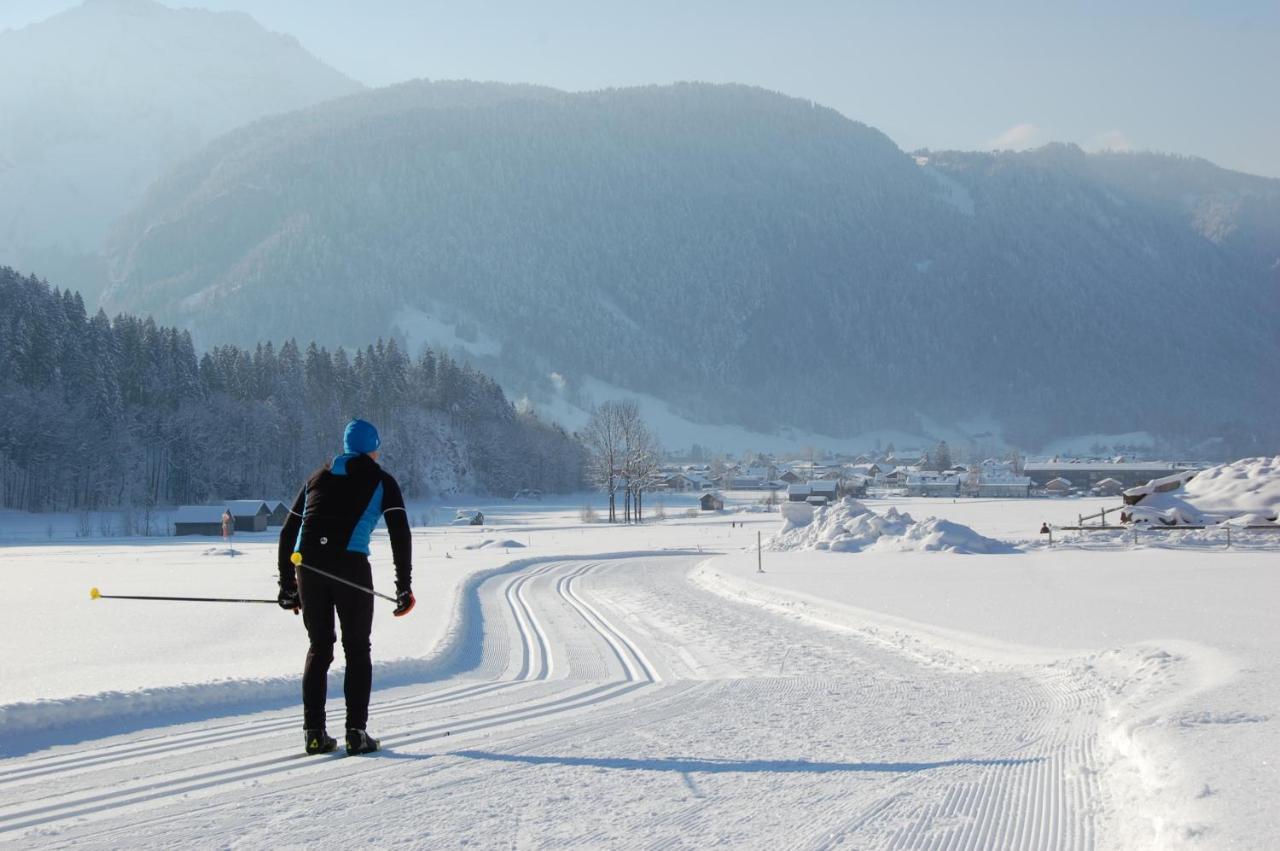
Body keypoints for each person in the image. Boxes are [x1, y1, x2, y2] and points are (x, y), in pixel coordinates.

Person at [277, 418, 415, 756]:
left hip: (307, 568)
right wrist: (403, 587)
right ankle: (356, 733)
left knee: (319, 648)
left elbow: (286, 534)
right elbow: (400, 534)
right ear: (373, 450)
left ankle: (314, 734)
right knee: (357, 649)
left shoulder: (315, 478)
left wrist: (287, 585)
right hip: (350, 567)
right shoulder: (382, 480)